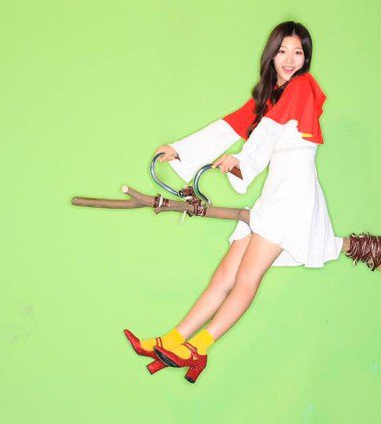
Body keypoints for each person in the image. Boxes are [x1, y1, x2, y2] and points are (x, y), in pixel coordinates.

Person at [124, 21, 342, 383]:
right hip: (275, 193)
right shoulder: (271, 94)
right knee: (224, 275)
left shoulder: (302, 86)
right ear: (271, 55)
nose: (290, 60)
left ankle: (199, 347)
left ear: (306, 58)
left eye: (298, 52)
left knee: (246, 276)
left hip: (293, 197)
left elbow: (267, 135)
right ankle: (171, 341)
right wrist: (180, 150)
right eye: (283, 51)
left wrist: (241, 162)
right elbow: (232, 125)